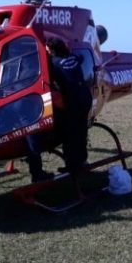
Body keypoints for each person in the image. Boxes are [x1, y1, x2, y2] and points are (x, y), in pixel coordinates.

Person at [45, 37, 93, 177]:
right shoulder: (72, 57)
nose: (46, 50)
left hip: (74, 100)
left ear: (52, 49)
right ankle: (82, 160)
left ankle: (72, 165)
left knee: (70, 133)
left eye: (47, 48)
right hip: (85, 96)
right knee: (81, 130)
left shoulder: (53, 63)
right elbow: (81, 59)